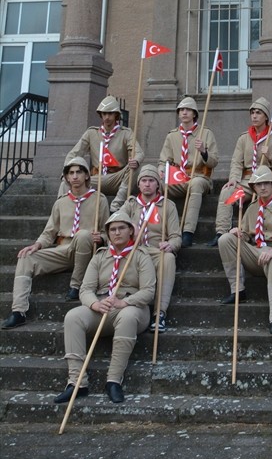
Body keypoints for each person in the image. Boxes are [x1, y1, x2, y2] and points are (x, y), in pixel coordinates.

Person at [56, 210, 156, 405]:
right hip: (103, 306)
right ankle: (77, 383)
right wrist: (95, 303)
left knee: (127, 317)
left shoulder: (140, 255)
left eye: (121, 228)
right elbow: (85, 289)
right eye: (112, 229)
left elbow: (148, 291)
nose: (117, 233)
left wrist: (124, 302)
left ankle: (113, 381)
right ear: (108, 233)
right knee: (72, 316)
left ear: (130, 232)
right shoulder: (100, 256)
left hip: (133, 307)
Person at [2, 156, 108, 329]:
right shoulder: (61, 202)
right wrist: (36, 245)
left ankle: (75, 286)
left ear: (87, 176)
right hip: (64, 249)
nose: (74, 176)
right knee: (25, 257)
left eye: (79, 172)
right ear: (66, 177)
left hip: (89, 251)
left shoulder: (99, 200)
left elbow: (108, 230)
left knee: (82, 235)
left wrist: (102, 237)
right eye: (71, 173)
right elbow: (49, 232)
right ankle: (18, 311)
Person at [217, 168, 272, 334]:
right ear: (253, 187)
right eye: (258, 184)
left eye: (266, 183)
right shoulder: (253, 207)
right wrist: (238, 233)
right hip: (255, 252)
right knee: (225, 239)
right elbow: (246, 233)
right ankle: (237, 289)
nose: (262, 187)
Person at [208, 98, 272, 247]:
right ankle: (221, 233)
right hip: (248, 180)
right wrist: (234, 179)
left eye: (258, 113)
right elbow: (237, 162)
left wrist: (270, 157)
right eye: (252, 113)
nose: (254, 116)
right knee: (227, 192)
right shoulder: (244, 138)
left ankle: (254, 234)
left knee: (263, 197)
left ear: (266, 116)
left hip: (267, 181)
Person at [117, 164, 181, 333]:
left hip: (155, 251)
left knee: (169, 258)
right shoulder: (130, 204)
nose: (147, 184)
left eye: (151, 181)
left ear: (157, 184)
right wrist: (130, 228)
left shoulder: (168, 205)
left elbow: (176, 236)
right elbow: (116, 222)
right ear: (138, 184)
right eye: (144, 180)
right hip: (133, 250)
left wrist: (171, 244)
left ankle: (159, 312)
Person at [158, 95, 219, 247]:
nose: (184, 112)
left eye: (188, 110)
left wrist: (204, 151)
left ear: (194, 114)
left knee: (196, 184)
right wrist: (161, 170)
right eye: (181, 110)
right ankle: (161, 229)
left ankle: (187, 233)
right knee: (157, 184)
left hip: (199, 176)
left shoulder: (205, 133)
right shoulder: (172, 136)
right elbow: (163, 160)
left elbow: (214, 161)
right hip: (178, 177)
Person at [64, 95, 143, 211]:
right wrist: (66, 171)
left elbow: (139, 152)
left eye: (110, 114)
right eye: (104, 113)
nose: (107, 117)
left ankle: (116, 205)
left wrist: (135, 160)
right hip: (96, 178)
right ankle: (63, 209)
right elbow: (74, 153)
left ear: (116, 115)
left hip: (117, 178)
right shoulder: (91, 133)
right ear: (100, 114)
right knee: (66, 181)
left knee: (134, 168)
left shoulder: (126, 133)